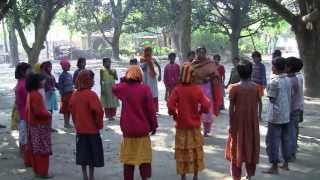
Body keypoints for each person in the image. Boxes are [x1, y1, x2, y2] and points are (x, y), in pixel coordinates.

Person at [112, 65, 158, 180]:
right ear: (140, 75)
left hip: (128, 131)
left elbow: (114, 87)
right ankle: (144, 178)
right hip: (142, 130)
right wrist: (154, 126)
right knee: (144, 159)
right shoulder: (145, 89)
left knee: (128, 161)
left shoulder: (123, 88)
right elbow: (151, 110)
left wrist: (124, 79)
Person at [167, 64, 210, 180]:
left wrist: (175, 114)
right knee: (195, 150)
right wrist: (201, 112)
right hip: (195, 126)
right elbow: (207, 104)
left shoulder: (177, 89)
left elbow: (170, 105)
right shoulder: (197, 89)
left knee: (182, 152)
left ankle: (183, 176)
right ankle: (195, 176)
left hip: (181, 126)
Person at [225, 60, 261, 180]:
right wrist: (258, 117)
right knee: (251, 145)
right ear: (251, 72)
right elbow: (259, 103)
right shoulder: (256, 87)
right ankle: (249, 175)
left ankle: (236, 176)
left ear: (239, 74)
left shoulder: (234, 88)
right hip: (252, 122)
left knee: (236, 146)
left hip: (238, 121)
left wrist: (230, 123)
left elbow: (231, 107)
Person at [69, 70, 104, 180]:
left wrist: (77, 124)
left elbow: (72, 112)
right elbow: (98, 111)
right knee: (92, 155)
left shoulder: (74, 95)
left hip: (80, 130)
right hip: (92, 130)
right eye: (91, 79)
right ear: (87, 80)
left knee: (83, 155)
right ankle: (91, 176)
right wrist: (99, 124)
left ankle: (84, 176)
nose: (93, 81)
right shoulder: (91, 95)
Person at [264, 58, 291, 174]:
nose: (272, 67)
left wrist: (268, 87)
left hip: (275, 116)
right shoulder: (288, 80)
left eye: (273, 66)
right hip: (286, 114)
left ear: (276, 67)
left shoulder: (274, 82)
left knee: (272, 141)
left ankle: (274, 166)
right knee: (285, 140)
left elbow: (271, 98)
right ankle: (285, 163)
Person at [25, 73, 53, 178]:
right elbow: (39, 112)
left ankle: (37, 171)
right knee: (43, 150)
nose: (43, 82)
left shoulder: (30, 94)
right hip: (40, 126)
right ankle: (43, 172)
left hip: (33, 126)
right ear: (36, 83)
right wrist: (48, 114)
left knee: (36, 149)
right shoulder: (36, 95)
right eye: (41, 80)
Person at [192, 46, 221, 137]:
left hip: (207, 88)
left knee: (207, 108)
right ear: (196, 53)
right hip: (196, 88)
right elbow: (190, 76)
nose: (201, 54)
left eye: (203, 52)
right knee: (196, 108)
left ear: (205, 53)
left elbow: (216, 74)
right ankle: (196, 128)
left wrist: (209, 77)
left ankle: (206, 129)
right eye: (199, 52)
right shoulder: (193, 64)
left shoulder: (210, 63)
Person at [286, 57, 304, 161]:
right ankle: (292, 151)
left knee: (291, 132)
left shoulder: (293, 79)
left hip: (291, 109)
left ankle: (291, 153)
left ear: (290, 68)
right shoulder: (298, 77)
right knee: (293, 130)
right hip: (297, 108)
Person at [15, 62, 32, 166]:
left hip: (22, 113)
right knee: (25, 135)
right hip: (25, 113)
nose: (31, 72)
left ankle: (23, 153)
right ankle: (25, 155)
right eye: (29, 70)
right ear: (23, 72)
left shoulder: (20, 82)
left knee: (23, 134)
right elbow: (28, 99)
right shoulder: (23, 84)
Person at [140, 46, 161, 112]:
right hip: (145, 78)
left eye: (150, 50)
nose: (149, 52)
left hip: (152, 78)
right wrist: (147, 62)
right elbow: (142, 69)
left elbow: (158, 66)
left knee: (154, 93)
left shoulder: (153, 59)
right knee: (146, 93)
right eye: (147, 50)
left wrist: (160, 75)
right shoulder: (142, 59)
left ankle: (154, 109)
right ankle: (146, 109)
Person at [40, 61, 58, 132]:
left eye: (51, 66)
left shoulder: (50, 75)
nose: (50, 68)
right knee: (47, 111)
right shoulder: (43, 75)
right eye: (49, 67)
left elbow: (54, 83)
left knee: (50, 111)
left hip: (51, 94)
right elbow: (43, 85)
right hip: (47, 95)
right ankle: (46, 127)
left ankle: (49, 126)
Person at [58, 59, 74, 128]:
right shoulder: (62, 76)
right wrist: (62, 95)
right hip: (65, 95)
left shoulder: (70, 75)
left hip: (71, 94)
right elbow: (60, 87)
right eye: (68, 65)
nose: (69, 66)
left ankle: (68, 123)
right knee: (65, 110)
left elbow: (72, 84)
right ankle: (66, 123)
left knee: (70, 109)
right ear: (64, 67)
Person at [251, 51, 267, 121]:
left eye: (256, 57)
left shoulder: (262, 66)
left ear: (259, 58)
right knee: (253, 100)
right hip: (252, 84)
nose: (255, 59)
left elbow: (264, 75)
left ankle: (259, 116)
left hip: (259, 85)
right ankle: (254, 114)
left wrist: (264, 85)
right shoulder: (252, 65)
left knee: (259, 100)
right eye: (254, 57)